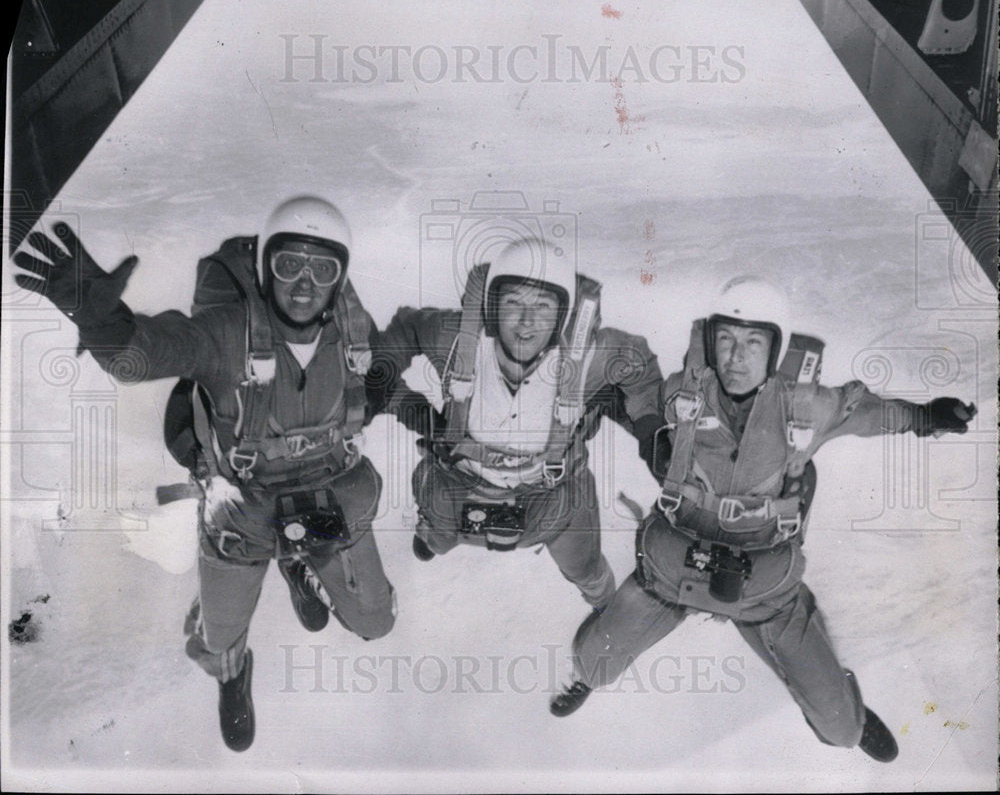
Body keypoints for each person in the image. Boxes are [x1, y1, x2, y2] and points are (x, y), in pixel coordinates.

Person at [13, 196, 396, 752]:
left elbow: (399, 368)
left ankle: (297, 565)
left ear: (341, 279)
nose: (305, 284)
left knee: (375, 621)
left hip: (326, 495)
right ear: (267, 269)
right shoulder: (226, 332)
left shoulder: (353, 338)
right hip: (243, 505)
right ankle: (231, 670)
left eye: (323, 268)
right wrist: (100, 321)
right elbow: (143, 354)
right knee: (218, 640)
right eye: (289, 265)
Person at [549, 276, 976, 763]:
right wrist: (641, 427)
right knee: (594, 663)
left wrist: (924, 418)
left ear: (774, 351)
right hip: (672, 570)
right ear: (710, 342)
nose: (737, 357)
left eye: (754, 342)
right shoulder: (682, 395)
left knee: (839, 729)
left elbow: (865, 413)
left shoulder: (805, 407)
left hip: (763, 590)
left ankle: (847, 713)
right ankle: (586, 673)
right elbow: (633, 395)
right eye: (726, 340)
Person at [370, 237, 664, 614]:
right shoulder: (460, 339)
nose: (527, 322)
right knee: (438, 524)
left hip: (552, 492)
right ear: (491, 309)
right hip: (459, 481)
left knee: (586, 567)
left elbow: (638, 362)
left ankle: (604, 607)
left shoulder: (586, 355)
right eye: (513, 303)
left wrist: (651, 428)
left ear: (562, 316)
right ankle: (433, 536)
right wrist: (392, 385)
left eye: (543, 306)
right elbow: (407, 328)